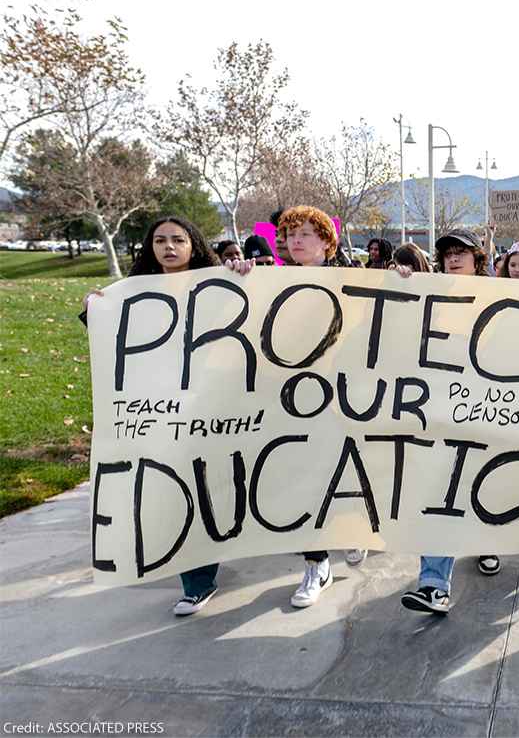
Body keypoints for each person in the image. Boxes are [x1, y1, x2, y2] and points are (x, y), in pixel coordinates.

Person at [81, 216, 252, 616]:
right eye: (160, 240)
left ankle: (218, 557)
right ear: (150, 247)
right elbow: (108, 334)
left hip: (212, 409)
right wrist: (94, 308)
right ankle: (197, 582)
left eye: (178, 239)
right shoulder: (132, 294)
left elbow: (252, 312)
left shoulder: (218, 285)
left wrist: (244, 276)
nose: (169, 247)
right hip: (160, 413)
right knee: (176, 494)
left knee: (210, 491)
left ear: (194, 245)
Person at [400, 229, 502, 615]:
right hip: (438, 412)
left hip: (488, 411)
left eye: (461, 252)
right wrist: (402, 290)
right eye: (447, 254)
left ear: (477, 259)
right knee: (438, 495)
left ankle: (488, 541)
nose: (454, 259)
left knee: (482, 486)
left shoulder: (503, 300)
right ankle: (433, 583)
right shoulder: (429, 297)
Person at [273, 205, 365, 605]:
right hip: (294, 399)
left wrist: (403, 282)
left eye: (307, 233)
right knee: (302, 479)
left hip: (345, 399)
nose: (296, 239)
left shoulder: (355, 281)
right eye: (291, 233)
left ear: (328, 242)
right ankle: (316, 563)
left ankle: (352, 529)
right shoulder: (269, 284)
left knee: (345, 472)